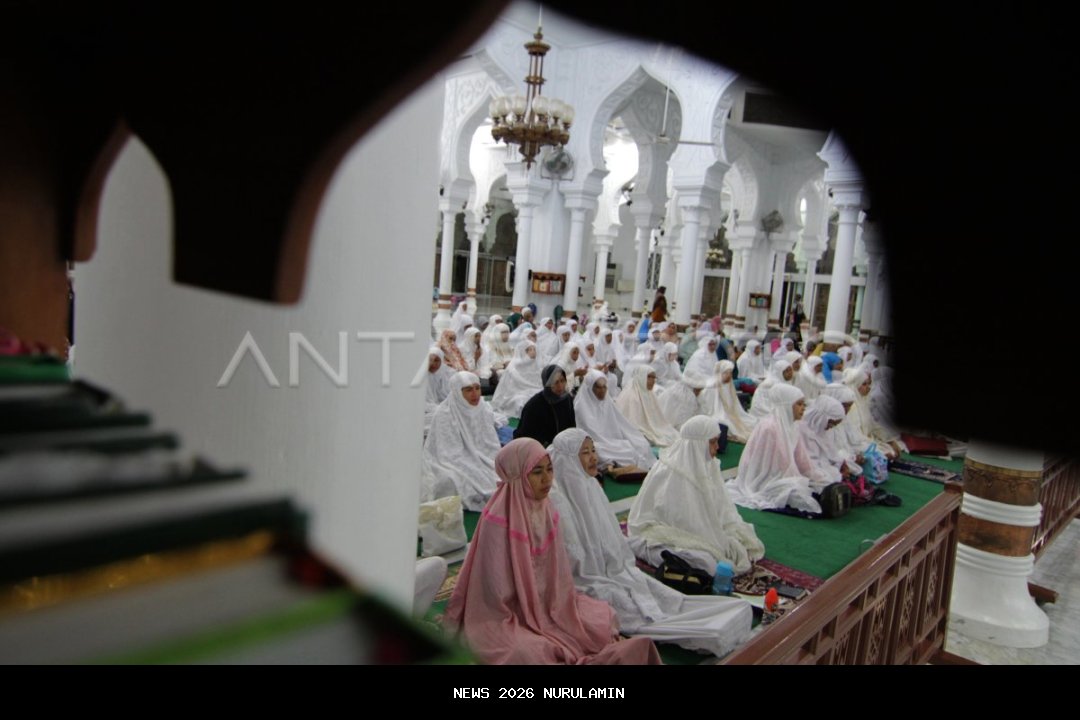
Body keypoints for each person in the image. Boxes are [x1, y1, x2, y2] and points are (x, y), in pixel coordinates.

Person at [442, 438, 663, 665]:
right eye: (537, 472)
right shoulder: (497, 521)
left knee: (601, 618)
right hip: (507, 613)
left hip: (549, 605)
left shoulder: (547, 510)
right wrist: (531, 610)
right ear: (517, 476)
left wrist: (551, 606)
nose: (547, 479)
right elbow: (494, 593)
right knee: (525, 651)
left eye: (550, 470)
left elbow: (558, 574)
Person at [547, 429, 753, 656]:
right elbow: (573, 559)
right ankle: (705, 631)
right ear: (568, 460)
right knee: (620, 599)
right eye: (585, 453)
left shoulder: (591, 485)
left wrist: (615, 565)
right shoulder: (557, 501)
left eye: (593, 450)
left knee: (660, 594)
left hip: (617, 568)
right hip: (591, 578)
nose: (594, 457)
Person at [627, 416, 766, 575]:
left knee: (742, 541)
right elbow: (679, 520)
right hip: (666, 533)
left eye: (717, 441)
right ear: (697, 444)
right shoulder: (670, 472)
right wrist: (713, 540)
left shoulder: (709, 466)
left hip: (701, 531)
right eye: (712, 442)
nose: (717, 447)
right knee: (706, 563)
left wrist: (723, 533)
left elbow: (723, 509)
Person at [726, 384, 824, 514]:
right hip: (764, 480)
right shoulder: (770, 427)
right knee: (797, 494)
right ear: (787, 406)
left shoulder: (793, 426)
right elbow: (777, 465)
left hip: (783, 476)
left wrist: (816, 477)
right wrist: (796, 479)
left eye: (803, 404)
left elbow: (801, 458)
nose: (803, 409)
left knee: (815, 486)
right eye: (799, 404)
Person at [420, 371, 502, 510]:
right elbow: (447, 453)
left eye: (477, 388)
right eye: (468, 390)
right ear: (457, 391)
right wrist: (473, 466)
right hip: (452, 460)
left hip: (484, 457)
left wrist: (484, 461)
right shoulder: (444, 414)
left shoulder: (484, 408)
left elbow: (491, 443)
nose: (475, 393)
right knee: (451, 480)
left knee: (501, 474)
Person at [574, 370, 656, 472]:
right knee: (598, 452)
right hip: (595, 444)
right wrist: (610, 444)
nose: (602, 390)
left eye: (604, 387)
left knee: (639, 444)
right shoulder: (581, 406)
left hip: (613, 442)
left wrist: (630, 437)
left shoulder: (607, 401)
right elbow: (589, 435)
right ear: (590, 388)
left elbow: (620, 423)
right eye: (598, 387)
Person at [614, 365, 680, 447]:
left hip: (650, 428)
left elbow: (658, 420)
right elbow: (632, 424)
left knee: (670, 434)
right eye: (649, 377)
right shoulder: (631, 396)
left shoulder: (650, 394)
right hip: (634, 431)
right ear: (641, 376)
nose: (653, 381)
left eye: (654, 378)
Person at [514, 365, 577, 448]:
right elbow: (527, 435)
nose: (560, 386)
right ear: (547, 383)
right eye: (555, 382)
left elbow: (571, 424)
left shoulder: (567, 399)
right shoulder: (534, 405)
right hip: (539, 447)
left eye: (562, 381)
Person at [701, 359, 757, 443]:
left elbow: (734, 405)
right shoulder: (711, 387)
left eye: (730, 373)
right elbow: (708, 408)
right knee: (725, 423)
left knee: (751, 422)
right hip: (717, 414)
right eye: (726, 373)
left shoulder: (728, 384)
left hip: (731, 413)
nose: (729, 375)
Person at [490, 340, 543, 418]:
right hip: (517, 393)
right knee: (521, 402)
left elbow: (539, 382)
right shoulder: (514, 367)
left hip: (534, 390)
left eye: (534, 349)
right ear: (523, 352)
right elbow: (510, 388)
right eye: (530, 350)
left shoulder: (536, 365)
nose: (533, 352)